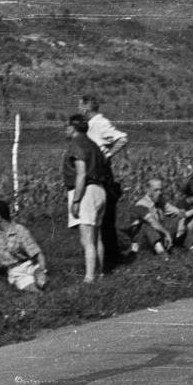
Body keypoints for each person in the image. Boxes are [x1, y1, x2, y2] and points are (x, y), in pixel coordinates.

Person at [79, 95, 128, 271]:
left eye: (81, 107)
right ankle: (101, 258)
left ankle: (109, 257)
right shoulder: (90, 125)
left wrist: (107, 155)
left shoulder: (100, 124)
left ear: (86, 108)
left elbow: (122, 138)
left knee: (104, 217)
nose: (79, 111)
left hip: (102, 174)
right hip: (93, 173)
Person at [63, 114, 112, 282]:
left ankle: (89, 277)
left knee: (87, 238)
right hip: (100, 189)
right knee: (97, 236)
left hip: (86, 191)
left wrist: (76, 200)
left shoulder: (76, 145)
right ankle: (100, 273)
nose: (66, 129)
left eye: (67, 126)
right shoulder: (93, 145)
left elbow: (81, 173)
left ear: (72, 127)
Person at [0, 199, 47, 292]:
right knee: (33, 289)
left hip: (30, 264)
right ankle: (40, 289)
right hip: (15, 271)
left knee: (40, 279)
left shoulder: (20, 230)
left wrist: (42, 270)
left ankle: (43, 282)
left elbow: (38, 253)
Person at [127, 179, 178, 259]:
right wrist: (166, 233)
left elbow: (177, 212)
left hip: (155, 237)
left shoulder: (160, 202)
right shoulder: (141, 204)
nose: (159, 193)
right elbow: (151, 221)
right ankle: (162, 253)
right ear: (148, 190)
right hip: (141, 242)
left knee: (175, 221)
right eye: (156, 190)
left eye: (161, 190)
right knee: (148, 225)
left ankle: (186, 244)